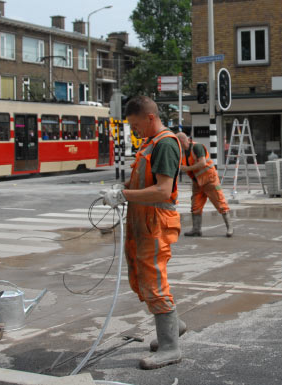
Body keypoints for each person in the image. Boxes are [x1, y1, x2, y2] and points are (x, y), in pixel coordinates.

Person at [102, 95, 186, 370]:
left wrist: (123, 195)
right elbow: (142, 181)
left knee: (153, 282)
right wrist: (119, 191)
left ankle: (171, 347)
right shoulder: (149, 144)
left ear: (150, 118)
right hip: (143, 221)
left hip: (155, 222)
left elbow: (163, 190)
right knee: (142, 278)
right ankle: (172, 328)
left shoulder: (164, 144)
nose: (135, 132)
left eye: (137, 126)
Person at [176, 133, 233, 237]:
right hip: (197, 182)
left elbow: (202, 163)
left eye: (178, 142)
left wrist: (186, 169)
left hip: (209, 180)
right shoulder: (183, 152)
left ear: (184, 141)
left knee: (220, 203)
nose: (178, 145)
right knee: (195, 206)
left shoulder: (197, 147)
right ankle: (196, 229)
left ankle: (230, 228)